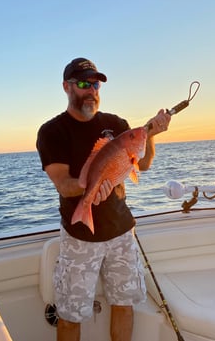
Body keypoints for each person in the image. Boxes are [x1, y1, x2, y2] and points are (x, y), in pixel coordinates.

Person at [36, 57, 171, 341]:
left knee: (124, 304)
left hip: (121, 232)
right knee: (71, 314)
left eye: (95, 84)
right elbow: (62, 184)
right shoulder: (52, 132)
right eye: (83, 83)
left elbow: (141, 164)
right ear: (66, 87)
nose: (91, 90)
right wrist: (90, 189)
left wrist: (152, 134)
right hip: (80, 237)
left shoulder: (115, 123)